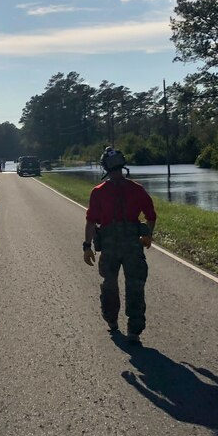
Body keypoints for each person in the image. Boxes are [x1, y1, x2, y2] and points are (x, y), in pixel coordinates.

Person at [82, 147, 156, 346]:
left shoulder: (98, 192)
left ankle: (112, 321)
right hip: (133, 245)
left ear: (105, 167)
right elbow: (151, 216)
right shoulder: (137, 189)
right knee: (135, 286)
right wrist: (148, 234)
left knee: (110, 284)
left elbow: (90, 222)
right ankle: (134, 330)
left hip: (109, 246)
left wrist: (87, 246)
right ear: (122, 165)